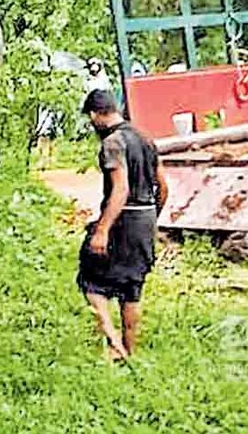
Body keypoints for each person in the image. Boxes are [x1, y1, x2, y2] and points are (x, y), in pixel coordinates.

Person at [77, 89, 168, 361]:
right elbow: (163, 186)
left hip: (123, 220)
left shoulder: (113, 143)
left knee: (90, 278)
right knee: (132, 287)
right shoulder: (145, 139)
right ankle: (130, 351)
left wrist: (102, 229)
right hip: (146, 218)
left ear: (95, 115)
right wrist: (152, 219)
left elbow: (121, 189)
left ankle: (113, 342)